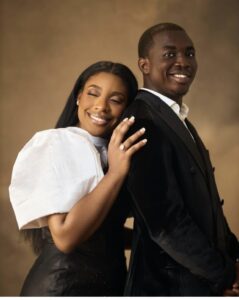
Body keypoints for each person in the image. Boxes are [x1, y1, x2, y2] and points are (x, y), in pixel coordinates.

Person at [9, 61, 147, 296]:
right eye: (93, 93)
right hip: (62, 287)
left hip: (112, 285)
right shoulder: (58, 143)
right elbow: (65, 237)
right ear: (78, 97)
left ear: (127, 109)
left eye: (115, 100)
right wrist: (115, 174)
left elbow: (105, 231)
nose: (101, 106)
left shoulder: (115, 151)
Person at [122, 23, 239, 296]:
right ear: (145, 64)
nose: (183, 62)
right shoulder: (142, 122)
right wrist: (225, 274)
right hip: (167, 288)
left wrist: (234, 259)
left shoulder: (174, 118)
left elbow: (207, 211)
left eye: (189, 53)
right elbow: (166, 224)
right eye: (170, 54)